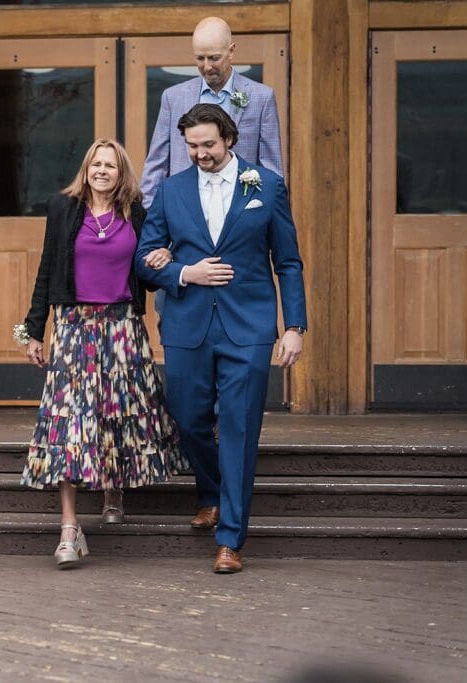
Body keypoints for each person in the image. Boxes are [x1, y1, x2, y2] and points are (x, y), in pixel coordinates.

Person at [134, 104, 307, 574]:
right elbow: (144, 258)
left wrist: (294, 326)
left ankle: (230, 538)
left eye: (208, 144)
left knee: (239, 425)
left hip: (248, 327)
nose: (200, 153)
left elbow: (288, 261)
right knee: (188, 419)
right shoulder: (171, 191)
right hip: (188, 323)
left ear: (229, 138)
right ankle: (210, 491)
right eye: (192, 146)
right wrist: (183, 271)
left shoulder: (265, 186)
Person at [20, 138, 187, 569]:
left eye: (110, 165)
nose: (102, 171)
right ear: (86, 168)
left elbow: (147, 277)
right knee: (69, 427)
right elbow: (46, 269)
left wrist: (163, 257)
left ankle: (114, 490)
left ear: (121, 172)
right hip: (75, 329)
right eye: (96, 164)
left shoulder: (137, 214)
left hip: (123, 329)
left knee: (116, 415)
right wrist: (34, 330)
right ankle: (69, 531)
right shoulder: (62, 209)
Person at [140, 16, 283, 209]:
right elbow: (157, 163)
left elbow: (271, 168)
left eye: (214, 58)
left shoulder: (261, 97)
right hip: (185, 209)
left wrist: (267, 216)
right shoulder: (173, 98)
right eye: (200, 58)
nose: (206, 66)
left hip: (240, 211)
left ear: (231, 51)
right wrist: (149, 215)